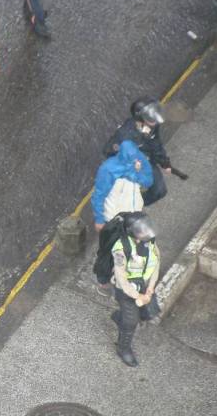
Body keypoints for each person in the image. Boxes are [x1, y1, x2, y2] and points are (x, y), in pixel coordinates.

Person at [109, 212, 161, 367]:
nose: (146, 231)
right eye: (141, 229)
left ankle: (120, 317)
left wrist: (150, 288)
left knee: (148, 313)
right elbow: (121, 278)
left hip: (143, 285)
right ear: (132, 232)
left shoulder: (149, 241)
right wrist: (137, 296)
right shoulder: (121, 249)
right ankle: (123, 349)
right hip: (126, 289)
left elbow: (156, 262)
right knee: (131, 322)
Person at [103, 98, 171, 206]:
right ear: (140, 117)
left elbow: (156, 143)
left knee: (159, 191)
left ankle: (136, 204)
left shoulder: (152, 125)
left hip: (145, 158)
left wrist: (164, 163)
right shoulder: (125, 134)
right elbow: (110, 152)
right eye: (151, 118)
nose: (154, 122)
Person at [92, 140, 153, 232]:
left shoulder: (140, 159)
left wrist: (138, 173)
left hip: (136, 215)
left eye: (135, 157)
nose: (135, 161)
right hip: (115, 220)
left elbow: (148, 181)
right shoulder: (108, 169)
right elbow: (99, 195)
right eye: (130, 159)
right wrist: (99, 220)